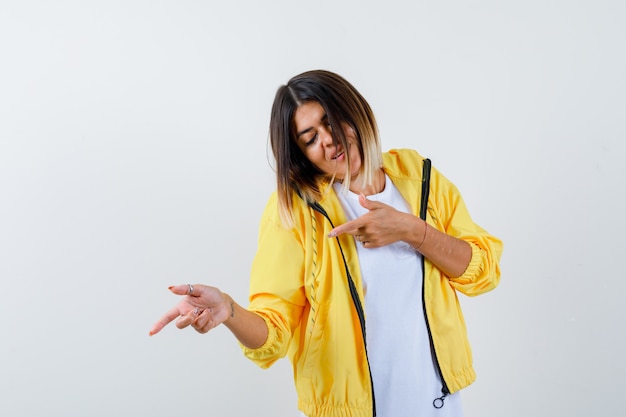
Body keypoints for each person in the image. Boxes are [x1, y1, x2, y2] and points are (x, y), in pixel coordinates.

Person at [149, 70, 503, 417]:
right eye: (310, 137)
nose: (328, 140)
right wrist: (228, 310)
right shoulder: (294, 209)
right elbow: (273, 331)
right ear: (302, 153)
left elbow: (483, 271)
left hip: (436, 401)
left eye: (330, 120)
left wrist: (412, 230)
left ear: (354, 110)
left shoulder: (418, 176)